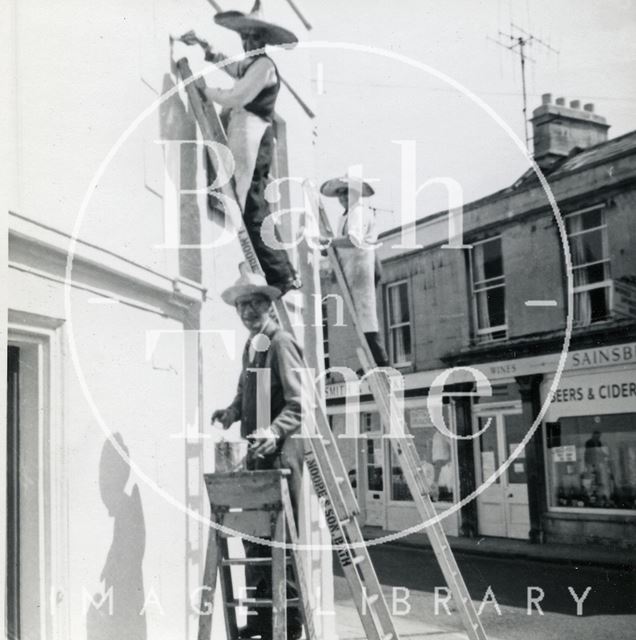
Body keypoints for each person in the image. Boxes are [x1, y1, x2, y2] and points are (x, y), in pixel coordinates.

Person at [180, 3, 300, 294]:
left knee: (251, 205)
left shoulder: (264, 66)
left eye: (254, 38)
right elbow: (231, 66)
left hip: (253, 133)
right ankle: (277, 271)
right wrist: (205, 46)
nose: (248, 43)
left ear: (264, 41)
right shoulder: (251, 64)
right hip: (243, 130)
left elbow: (237, 95)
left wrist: (204, 91)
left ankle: (281, 274)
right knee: (249, 203)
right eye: (244, 38)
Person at [211, 271, 304, 640]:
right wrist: (232, 412)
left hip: (280, 459)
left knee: (281, 543)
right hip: (256, 460)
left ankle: (289, 627)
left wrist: (274, 430)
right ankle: (263, 621)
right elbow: (246, 393)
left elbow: (300, 404)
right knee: (254, 540)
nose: (247, 310)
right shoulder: (254, 345)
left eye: (254, 303)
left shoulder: (280, 342)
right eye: (241, 305)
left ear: (268, 304)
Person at [320, 175, 389, 367]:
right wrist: (328, 248)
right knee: (358, 319)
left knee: (366, 318)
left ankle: (382, 365)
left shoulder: (359, 212)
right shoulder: (345, 216)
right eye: (340, 194)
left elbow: (354, 240)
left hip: (362, 268)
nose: (342, 197)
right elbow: (341, 244)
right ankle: (372, 362)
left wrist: (328, 242)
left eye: (347, 193)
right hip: (351, 270)